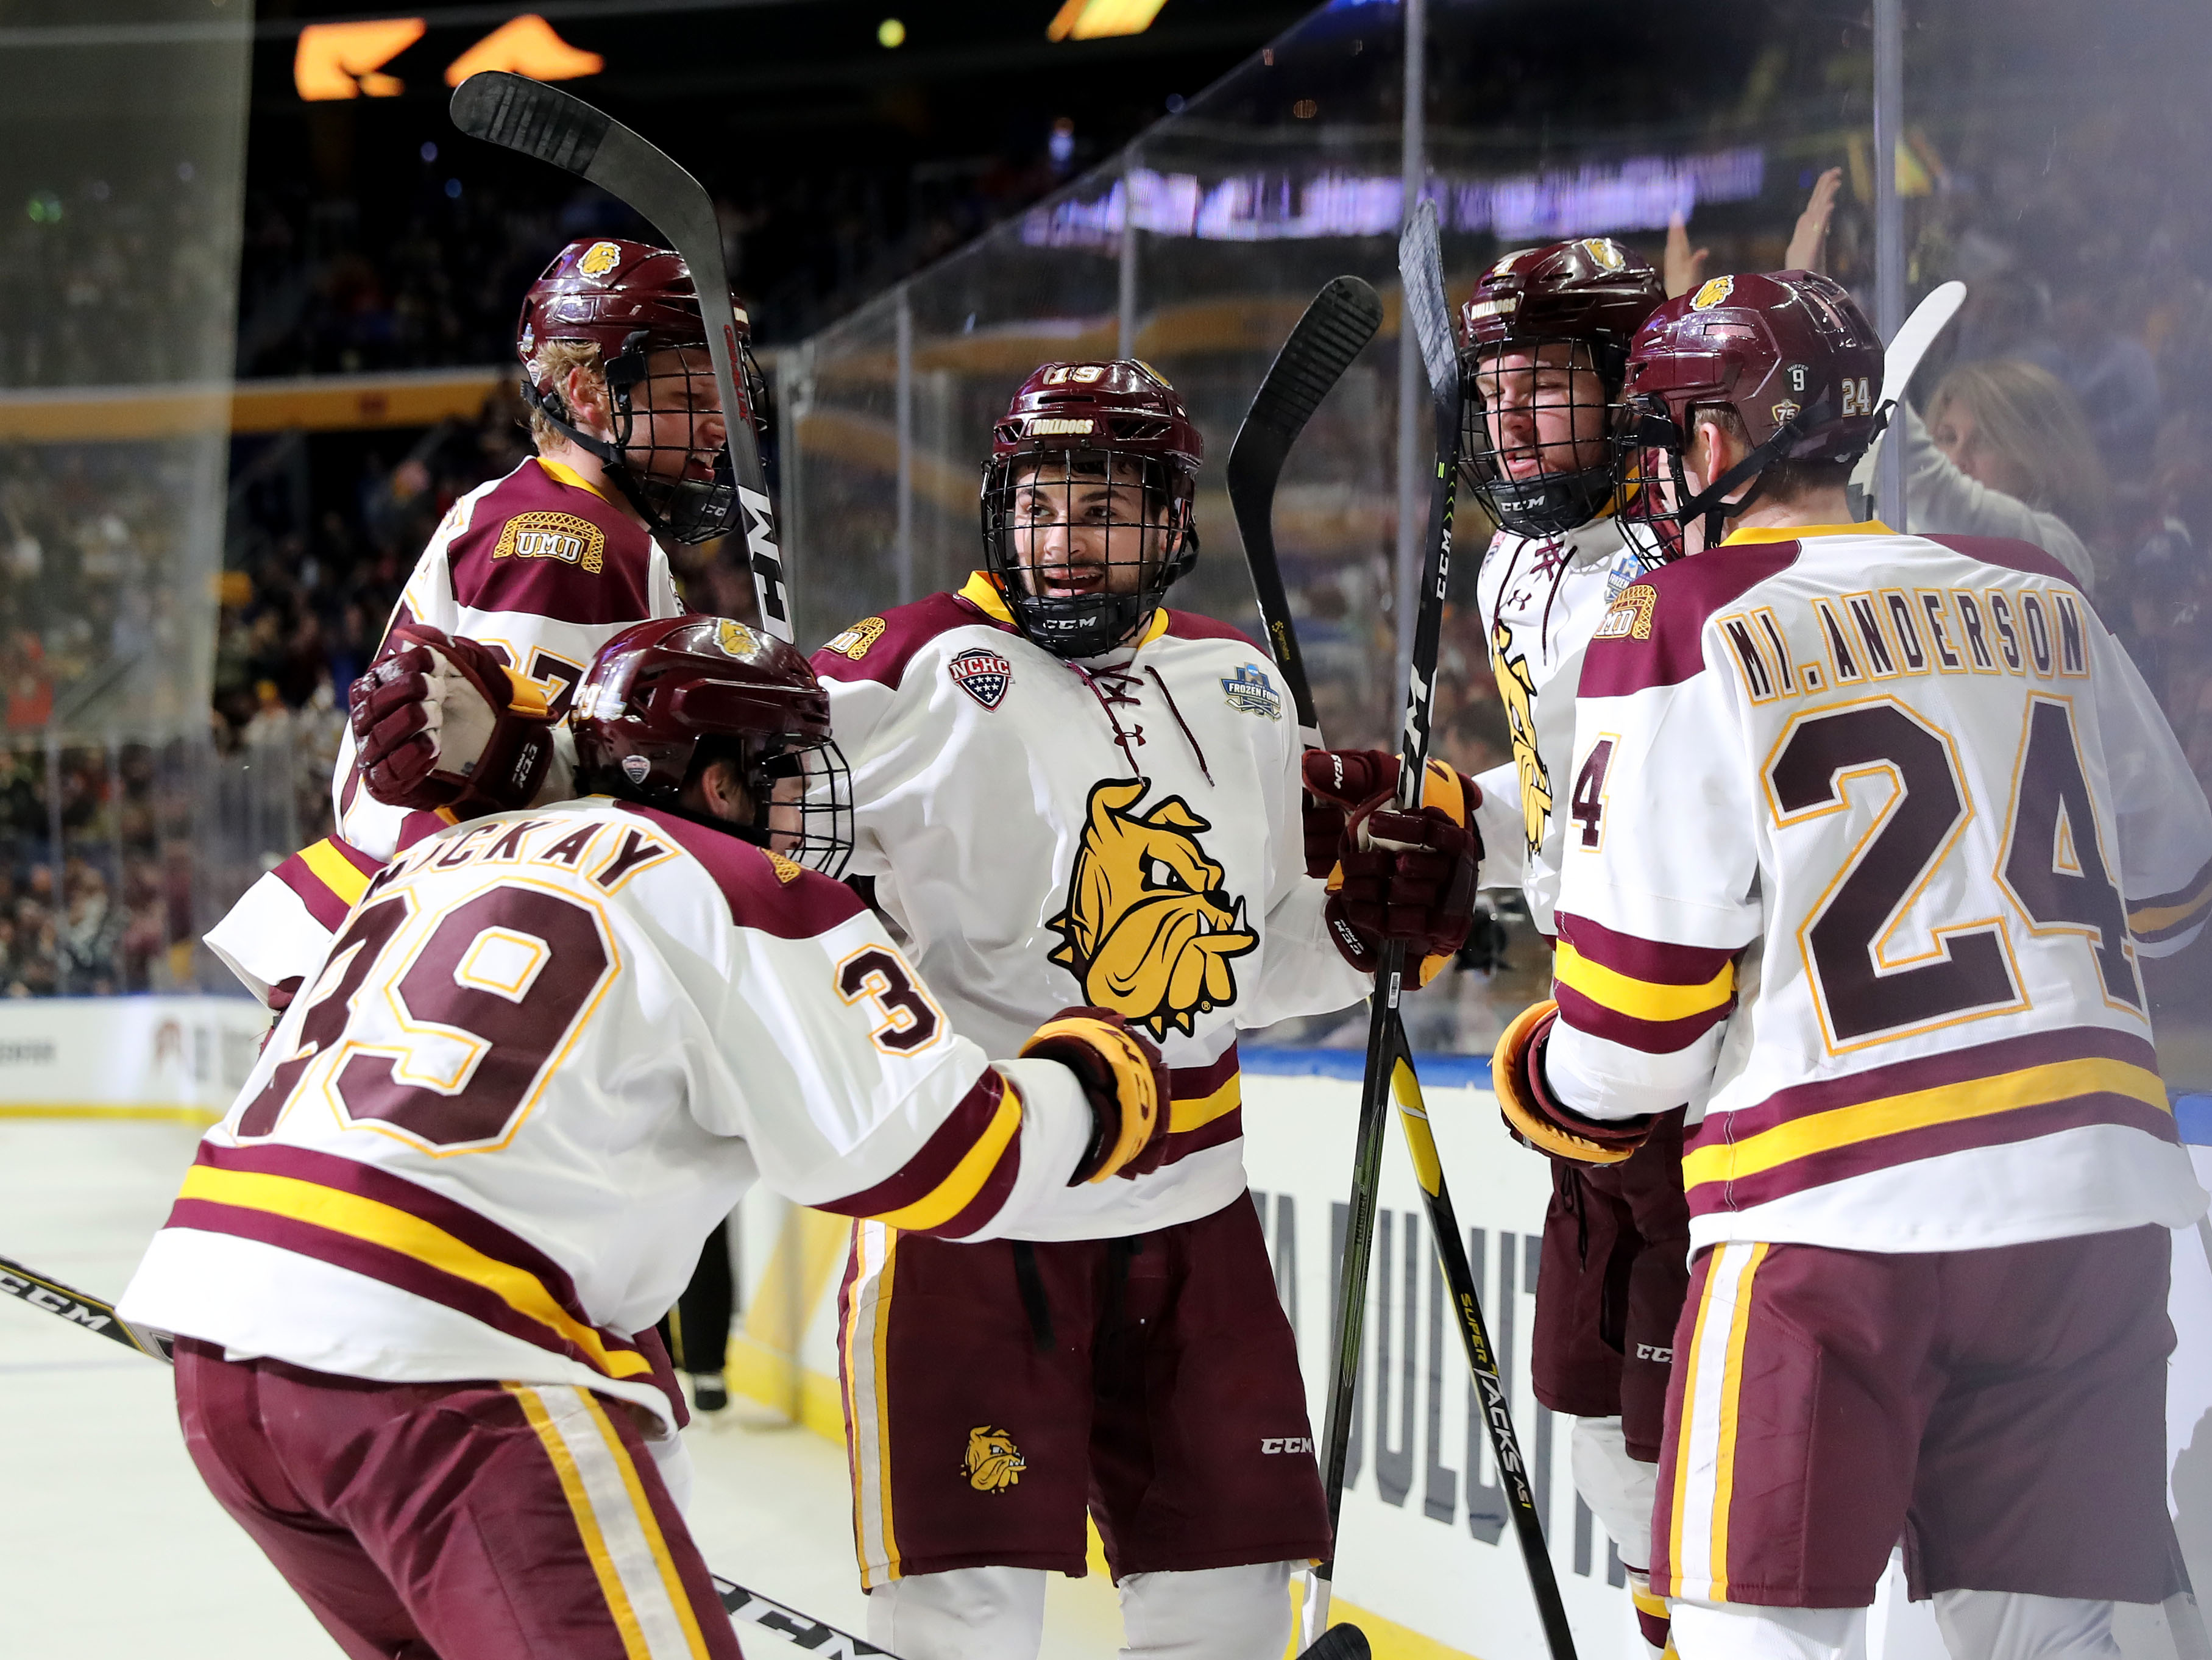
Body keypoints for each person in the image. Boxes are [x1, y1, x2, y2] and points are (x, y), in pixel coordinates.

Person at [355, 358, 1480, 1660]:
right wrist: (515, 756)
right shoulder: (900, 670)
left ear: (1172, 522)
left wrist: (1363, 937)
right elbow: (669, 785)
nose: (1064, 541)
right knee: (964, 1622)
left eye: (1102, 509)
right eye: (1041, 506)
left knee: (1226, 1609)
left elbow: (1246, 959)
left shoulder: (1239, 683)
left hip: (1194, 1214)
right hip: (976, 1208)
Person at [117, 615, 1175, 1660]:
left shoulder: (432, 856)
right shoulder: (740, 884)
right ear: (717, 782)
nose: (802, 802)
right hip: (443, 1368)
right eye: (781, 769)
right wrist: (1091, 1083)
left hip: (219, 1352)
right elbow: (948, 1160)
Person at [1491, 270, 2212, 1660]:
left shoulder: (1676, 619)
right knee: (2047, 1642)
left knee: (1748, 1633)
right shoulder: (2039, 591)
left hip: (1829, 1216)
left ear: (1713, 441)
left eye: (1662, 434)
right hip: (2089, 1204)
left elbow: (1630, 1042)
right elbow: (2181, 899)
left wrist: (1544, 1072)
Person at [203, 237, 740, 1011]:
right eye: (691, 400)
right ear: (588, 393)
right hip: (441, 973)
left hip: (399, 960)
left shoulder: (550, 517)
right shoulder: (571, 540)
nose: (718, 429)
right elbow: (492, 823)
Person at [1452, 235, 1692, 1655]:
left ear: (1623, 381)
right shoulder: (1510, 563)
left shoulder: (1691, 555)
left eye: (1544, 381)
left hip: (1689, 1035)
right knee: (1582, 1396)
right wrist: (1449, 822)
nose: (1512, 416)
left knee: (1682, 1417)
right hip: (1582, 1015)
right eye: (1496, 386)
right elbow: (1560, 803)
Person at [1895, 357, 2107, 591]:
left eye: (1984, 441)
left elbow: (1939, 491)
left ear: (2040, 456)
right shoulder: (1901, 528)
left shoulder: (2059, 549)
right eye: (1948, 438)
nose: (1956, 460)